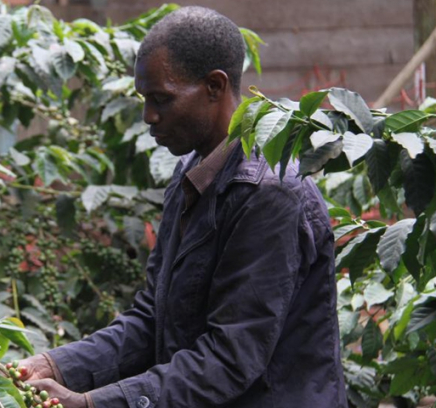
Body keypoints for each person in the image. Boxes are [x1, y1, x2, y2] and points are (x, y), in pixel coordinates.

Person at [20, 7, 348, 408]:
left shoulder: (270, 195)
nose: (148, 116)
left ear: (214, 86)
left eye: (161, 99)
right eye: (144, 99)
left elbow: (229, 358)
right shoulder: (192, 175)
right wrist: (54, 364)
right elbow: (152, 317)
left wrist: (92, 403)